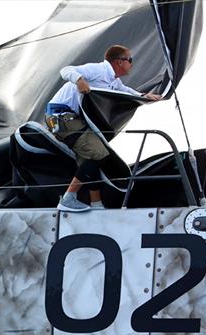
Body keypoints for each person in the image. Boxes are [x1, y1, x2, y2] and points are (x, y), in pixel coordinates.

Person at [46, 45, 162, 212]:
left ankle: (96, 204)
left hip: (73, 119)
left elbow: (127, 93)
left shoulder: (114, 81)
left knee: (91, 159)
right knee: (98, 153)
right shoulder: (98, 70)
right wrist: (79, 81)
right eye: (130, 60)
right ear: (118, 62)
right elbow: (66, 70)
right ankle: (68, 199)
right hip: (61, 116)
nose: (132, 64)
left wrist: (145, 97)